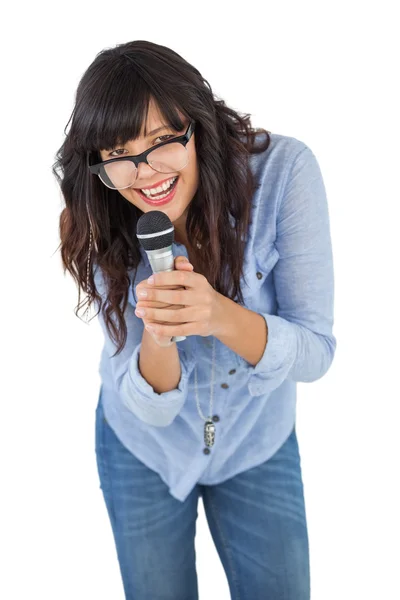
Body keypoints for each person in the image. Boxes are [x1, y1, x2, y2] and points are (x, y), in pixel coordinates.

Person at [53, 39, 336, 600]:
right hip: (144, 450)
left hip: (257, 439)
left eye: (162, 142)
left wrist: (218, 315)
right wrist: (159, 336)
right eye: (119, 155)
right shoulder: (97, 209)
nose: (145, 173)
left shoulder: (284, 173)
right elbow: (148, 406)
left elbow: (316, 353)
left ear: (197, 123)